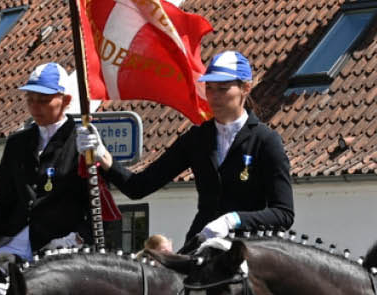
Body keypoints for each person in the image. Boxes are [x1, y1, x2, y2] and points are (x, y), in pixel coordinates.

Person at [99, 51, 293, 252]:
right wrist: (105, 160)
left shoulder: (266, 141)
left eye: (223, 89)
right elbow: (138, 187)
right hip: (200, 246)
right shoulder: (197, 138)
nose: (214, 96)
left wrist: (233, 220)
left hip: (246, 251)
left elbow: (283, 214)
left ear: (246, 88)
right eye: (209, 88)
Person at [0, 62, 113, 262]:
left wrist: (76, 238)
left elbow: (100, 210)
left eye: (43, 100)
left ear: (66, 100)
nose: (35, 107)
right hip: (10, 241)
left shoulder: (82, 143)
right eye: (30, 100)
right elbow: (2, 202)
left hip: (58, 246)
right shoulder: (17, 143)